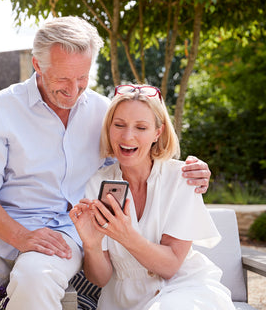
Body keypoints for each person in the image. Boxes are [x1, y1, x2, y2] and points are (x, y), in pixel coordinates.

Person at [0, 17, 211, 310]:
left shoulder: (102, 111)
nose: (73, 90)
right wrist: (22, 236)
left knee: (34, 278)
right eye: (62, 78)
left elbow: (137, 151)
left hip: (64, 234)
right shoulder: (0, 109)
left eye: (82, 77)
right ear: (37, 65)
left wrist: (194, 170)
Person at [70, 85, 235, 310]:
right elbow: (100, 279)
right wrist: (92, 245)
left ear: (158, 132)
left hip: (185, 289)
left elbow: (170, 266)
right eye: (119, 125)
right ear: (109, 128)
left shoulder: (181, 178)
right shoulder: (97, 184)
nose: (128, 136)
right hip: (123, 301)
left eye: (141, 127)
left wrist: (126, 235)